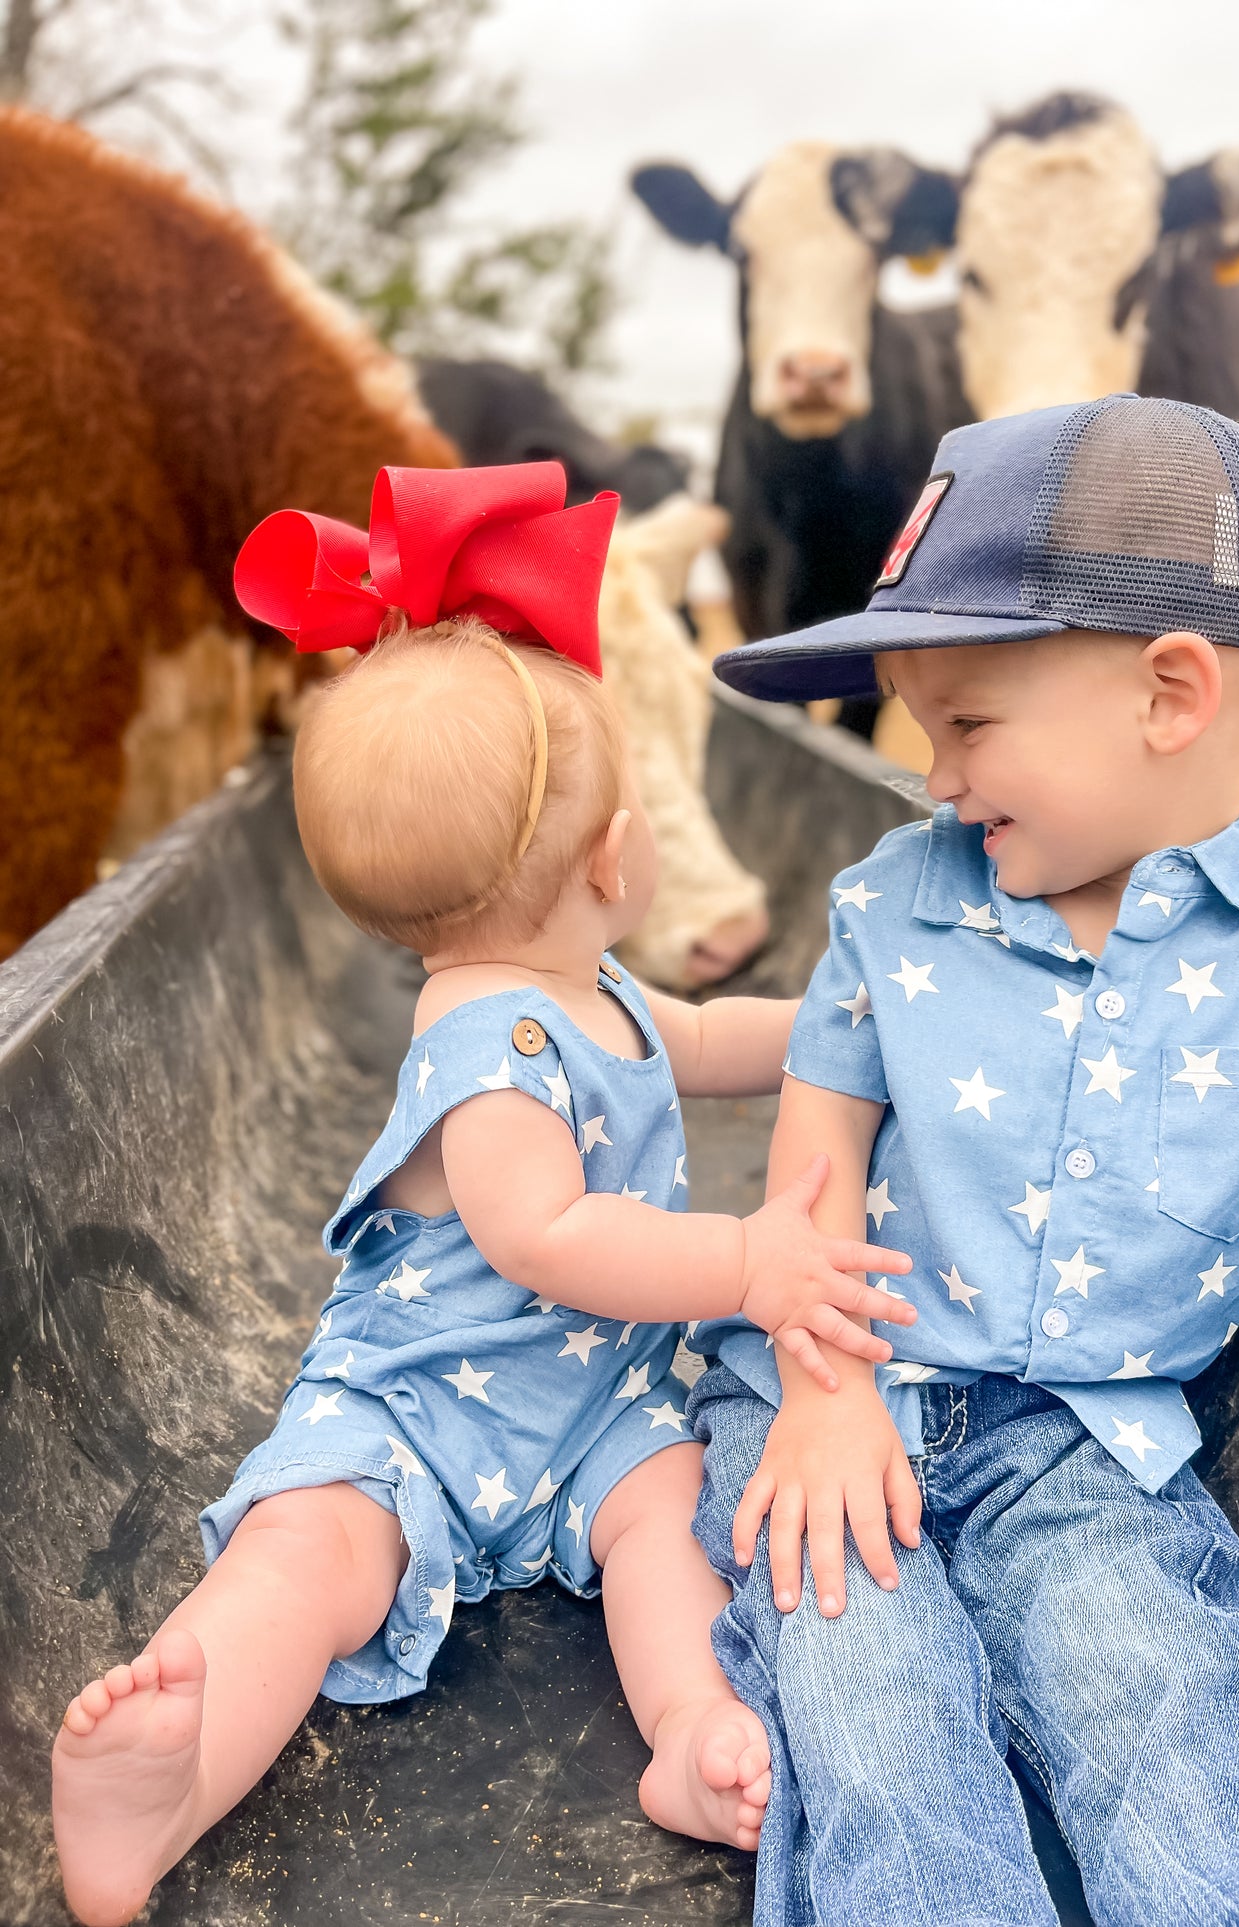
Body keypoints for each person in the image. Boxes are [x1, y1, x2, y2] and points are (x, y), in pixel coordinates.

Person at [49, 465, 916, 1927]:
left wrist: (850, 1020)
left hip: (589, 1411)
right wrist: (750, 1261)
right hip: (421, 1405)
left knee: (668, 1521)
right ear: (614, 857)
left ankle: (692, 1737)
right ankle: (168, 1767)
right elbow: (549, 1238)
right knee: (307, 1552)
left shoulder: (585, 986)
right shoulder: (491, 1054)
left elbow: (697, 1044)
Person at [693, 396, 1239, 1926]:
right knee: (873, 1705)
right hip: (838, 1387)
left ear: (1171, 693)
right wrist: (827, 1400)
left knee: (1161, 1689)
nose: (935, 778)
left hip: (1088, 1441)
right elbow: (814, 1160)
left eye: (965, 725)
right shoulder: (895, 902)